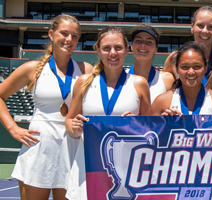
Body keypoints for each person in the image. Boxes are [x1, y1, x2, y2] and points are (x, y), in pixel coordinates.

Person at [0, 14, 93, 200]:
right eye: (64, 33)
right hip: (39, 148)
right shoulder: (32, 68)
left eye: (75, 36)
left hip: (73, 148)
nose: (69, 40)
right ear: (51, 34)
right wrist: (13, 128)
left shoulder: (86, 69)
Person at [65, 26, 150, 200]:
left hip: (127, 168)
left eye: (118, 47)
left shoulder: (139, 83)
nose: (113, 53)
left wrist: (138, 123)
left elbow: (150, 126)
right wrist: (74, 127)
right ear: (97, 50)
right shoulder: (83, 82)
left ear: (127, 49)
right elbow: (69, 120)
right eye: (106, 48)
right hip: (87, 163)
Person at [163, 6, 212, 96]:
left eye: (211, 27)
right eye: (200, 25)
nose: (205, 31)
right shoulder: (174, 58)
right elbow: (165, 91)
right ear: (192, 27)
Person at [151, 41, 212, 116]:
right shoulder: (161, 102)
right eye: (185, 67)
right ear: (177, 69)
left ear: (205, 68)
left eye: (197, 66)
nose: (191, 72)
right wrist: (163, 125)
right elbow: (149, 129)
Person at [129, 24, 175, 103]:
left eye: (149, 42)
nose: (143, 45)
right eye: (138, 40)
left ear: (156, 49)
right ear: (131, 46)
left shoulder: (167, 80)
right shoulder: (120, 78)